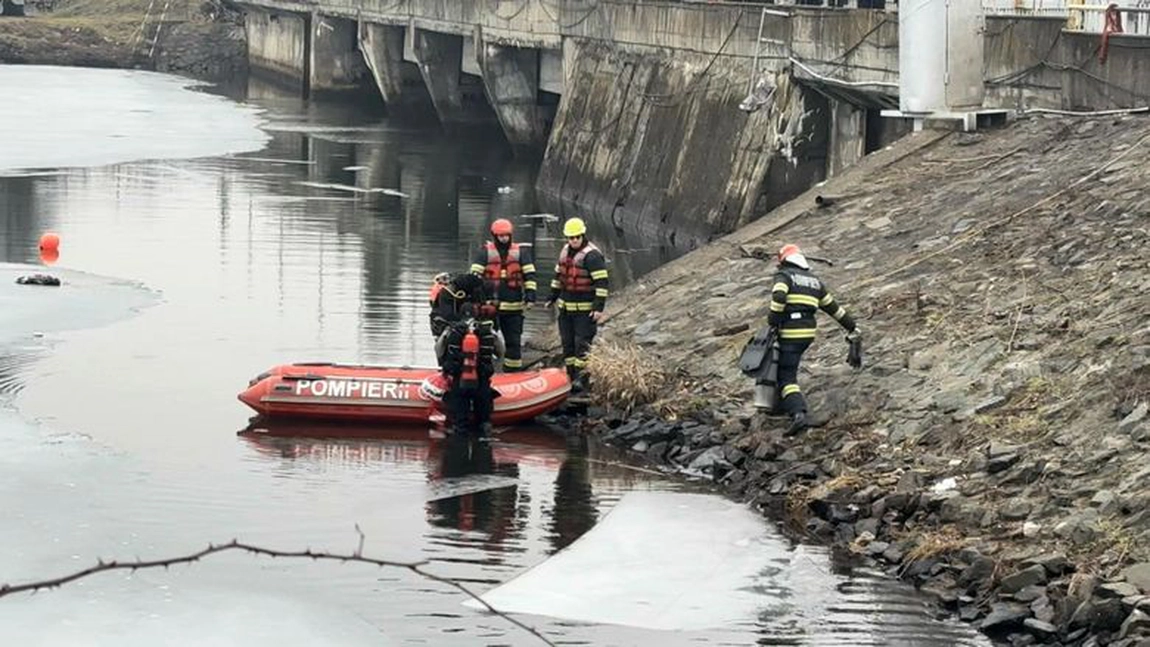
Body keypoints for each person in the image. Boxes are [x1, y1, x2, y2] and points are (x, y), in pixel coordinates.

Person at [768, 244, 861, 437]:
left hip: (790, 332)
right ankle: (782, 405)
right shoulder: (814, 282)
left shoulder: (784, 276)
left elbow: (778, 296)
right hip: (807, 333)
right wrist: (852, 327)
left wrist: (773, 321)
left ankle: (798, 413)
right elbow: (834, 309)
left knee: (786, 375)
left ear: (784, 261)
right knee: (786, 366)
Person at [545, 217, 608, 394]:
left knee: (582, 345)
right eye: (570, 238)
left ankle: (582, 380)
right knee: (568, 345)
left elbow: (601, 283)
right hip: (566, 310)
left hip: (585, 312)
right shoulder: (565, 252)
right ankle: (570, 377)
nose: (573, 241)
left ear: (582, 235)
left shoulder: (592, 256)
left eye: (576, 237)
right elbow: (559, 277)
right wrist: (552, 296)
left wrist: (598, 308)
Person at [469, 218, 537, 372]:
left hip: (513, 307)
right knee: (484, 341)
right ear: (494, 236)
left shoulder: (521, 253)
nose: (504, 239)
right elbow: (473, 277)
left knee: (513, 342)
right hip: (488, 307)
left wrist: (530, 296)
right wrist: (475, 299)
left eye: (506, 235)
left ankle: (513, 372)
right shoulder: (484, 253)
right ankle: (482, 373)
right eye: (501, 236)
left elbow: (530, 277)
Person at [438, 316, 501, 437]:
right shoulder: (488, 331)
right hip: (481, 378)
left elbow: (439, 349)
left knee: (459, 417)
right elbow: (500, 351)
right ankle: (484, 432)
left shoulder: (452, 331)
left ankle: (460, 438)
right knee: (484, 412)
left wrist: (444, 368)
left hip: (459, 377)